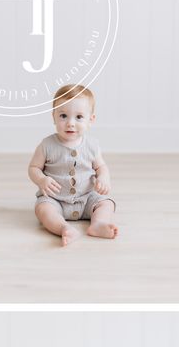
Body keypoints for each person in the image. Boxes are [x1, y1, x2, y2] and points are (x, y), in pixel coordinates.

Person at [28, 84, 118, 245]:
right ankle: (63, 228)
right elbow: (33, 168)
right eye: (63, 116)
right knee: (43, 210)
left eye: (79, 117)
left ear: (91, 120)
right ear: (53, 116)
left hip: (87, 197)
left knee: (106, 203)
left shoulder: (92, 145)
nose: (70, 123)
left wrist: (104, 178)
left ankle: (98, 224)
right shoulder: (46, 145)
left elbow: (101, 167)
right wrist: (42, 180)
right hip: (55, 200)